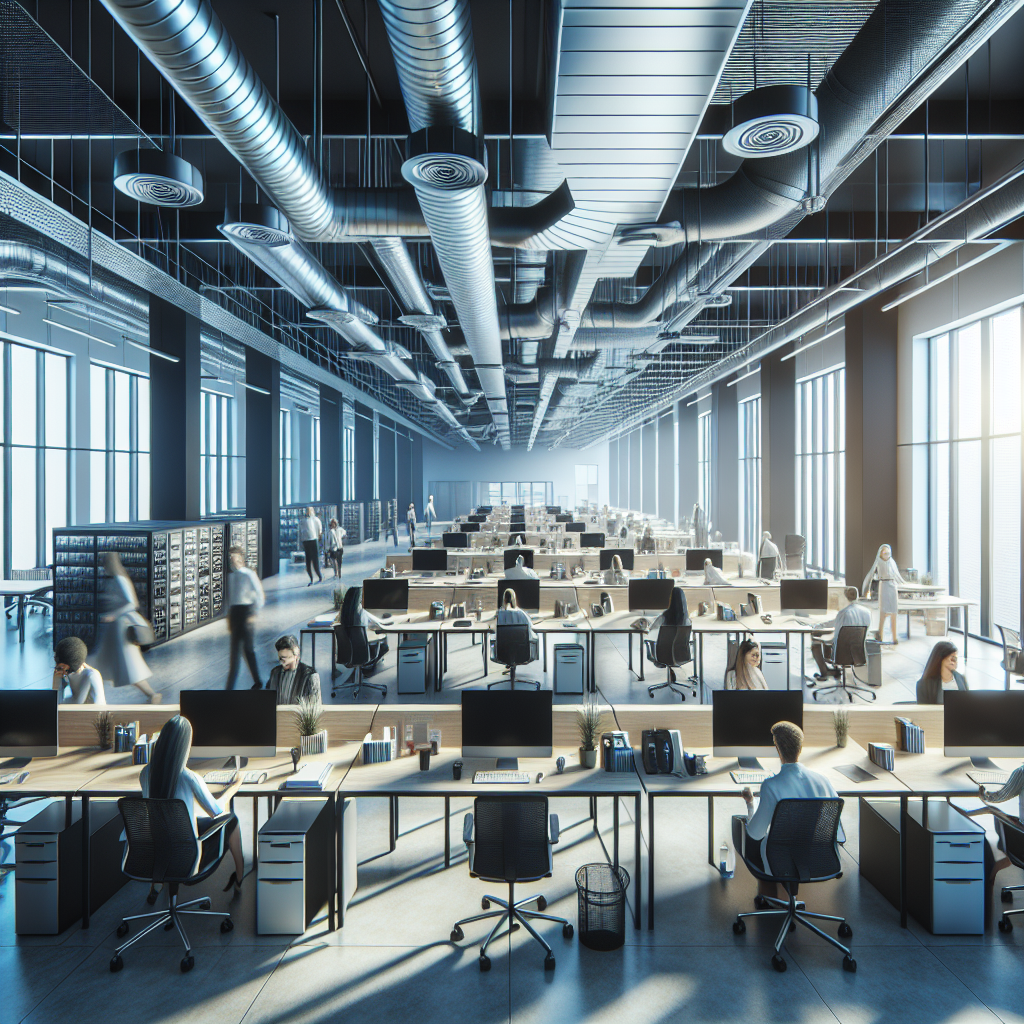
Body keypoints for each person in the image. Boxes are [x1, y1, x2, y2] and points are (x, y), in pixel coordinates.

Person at [734, 721, 845, 897]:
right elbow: (838, 834)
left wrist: (750, 803)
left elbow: (755, 834)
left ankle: (767, 895)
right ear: (800, 747)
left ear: (777, 749)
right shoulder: (823, 781)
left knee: (741, 827)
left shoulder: (771, 785)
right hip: (819, 858)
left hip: (781, 861)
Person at [140, 716, 245, 895]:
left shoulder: (146, 772)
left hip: (157, 857)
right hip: (188, 860)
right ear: (184, 746)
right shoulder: (189, 777)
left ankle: (157, 883)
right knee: (232, 820)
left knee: (174, 823)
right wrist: (234, 787)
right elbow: (215, 811)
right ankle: (240, 880)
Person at [91, 552, 161, 703]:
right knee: (105, 663)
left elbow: (132, 603)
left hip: (120, 628)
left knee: (127, 665)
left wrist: (113, 615)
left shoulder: (120, 579)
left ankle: (151, 694)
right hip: (114, 628)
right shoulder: (116, 578)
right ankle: (90, 696)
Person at [811, 585, 872, 683]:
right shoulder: (867, 612)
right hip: (858, 653)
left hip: (841, 653)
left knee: (815, 643)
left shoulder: (844, 613)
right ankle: (834, 671)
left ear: (845, 597)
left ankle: (824, 673)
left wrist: (817, 626)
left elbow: (837, 634)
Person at [225, 546, 264, 690]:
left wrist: (253, 613)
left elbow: (259, 595)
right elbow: (231, 599)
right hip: (235, 614)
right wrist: (229, 617)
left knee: (248, 650)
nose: (232, 560)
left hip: (246, 613)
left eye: (234, 557)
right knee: (236, 653)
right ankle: (230, 688)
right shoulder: (231, 576)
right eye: (230, 557)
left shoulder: (248, 574)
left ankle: (257, 681)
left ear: (240, 558)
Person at [337, 586, 390, 670]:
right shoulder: (361, 611)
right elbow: (376, 624)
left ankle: (361, 671)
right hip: (363, 652)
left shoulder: (343, 612)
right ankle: (368, 668)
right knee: (384, 646)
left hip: (347, 653)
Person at [862, 543, 904, 644]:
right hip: (884, 586)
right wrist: (867, 589)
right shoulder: (879, 562)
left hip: (892, 586)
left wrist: (903, 584)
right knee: (883, 612)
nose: (886, 554)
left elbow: (897, 575)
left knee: (894, 612)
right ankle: (880, 635)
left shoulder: (892, 562)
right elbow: (871, 575)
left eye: (888, 552)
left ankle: (894, 637)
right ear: (880, 553)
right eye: (884, 552)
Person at [649, 588, 691, 683]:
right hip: (681, 655)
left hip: (662, 655)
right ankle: (672, 670)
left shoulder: (665, 616)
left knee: (650, 642)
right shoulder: (687, 620)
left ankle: (670, 670)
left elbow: (651, 628)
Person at [267, 635, 322, 705]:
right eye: (280, 658)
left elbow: (315, 707)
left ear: (296, 656)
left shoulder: (310, 675)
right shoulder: (275, 673)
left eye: (286, 658)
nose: (282, 662)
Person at [52, 636, 105, 704]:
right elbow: (56, 704)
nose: (63, 672)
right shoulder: (64, 673)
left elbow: (99, 706)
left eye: (65, 669)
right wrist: (57, 683)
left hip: (87, 711)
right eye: (60, 667)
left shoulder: (91, 675)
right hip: (73, 707)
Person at [299, 507, 323, 586]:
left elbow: (319, 529)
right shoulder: (302, 521)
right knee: (308, 561)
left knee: (315, 560)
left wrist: (319, 535)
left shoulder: (315, 519)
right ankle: (312, 579)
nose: (307, 512)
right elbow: (300, 532)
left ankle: (319, 576)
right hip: (306, 541)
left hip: (313, 540)